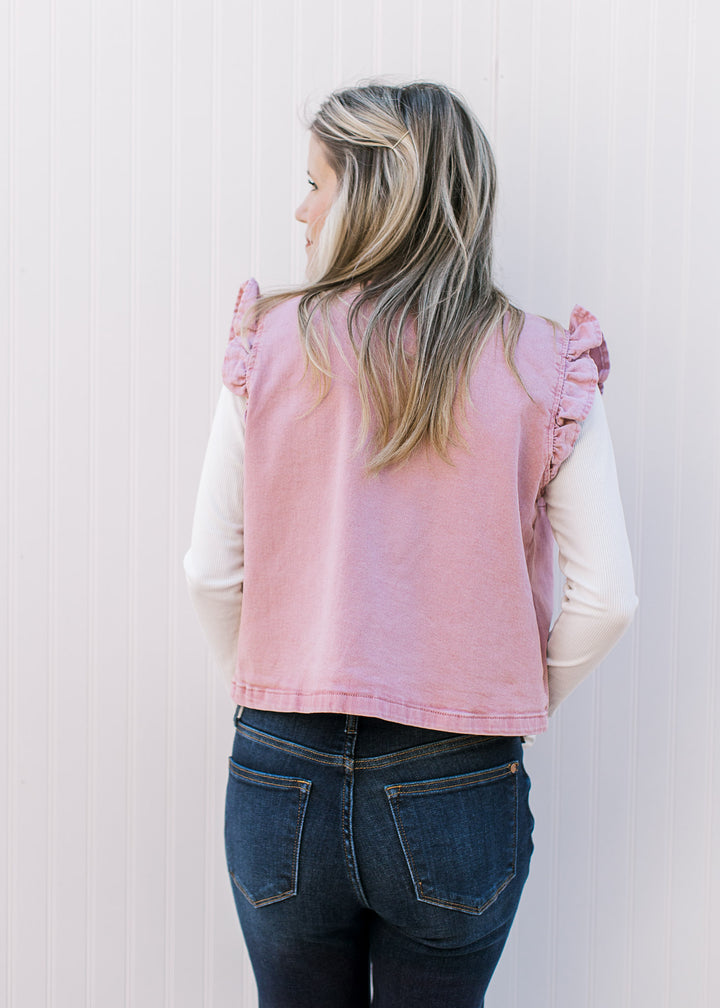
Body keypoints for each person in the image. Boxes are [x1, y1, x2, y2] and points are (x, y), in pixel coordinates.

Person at [184, 81, 637, 1008]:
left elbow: (210, 572)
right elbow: (608, 601)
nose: (301, 210)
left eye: (314, 184)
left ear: (372, 196)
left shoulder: (269, 344)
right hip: (456, 769)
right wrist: (501, 698)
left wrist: (273, 694)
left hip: (280, 767)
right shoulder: (543, 363)